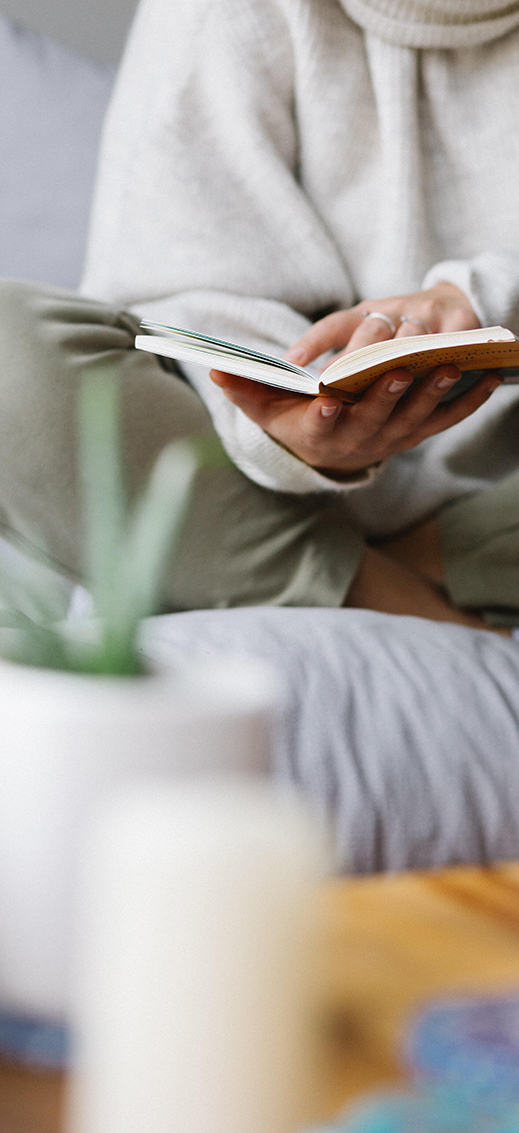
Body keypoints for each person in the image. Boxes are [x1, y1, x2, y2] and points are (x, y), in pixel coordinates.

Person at [1, 0, 519, 869]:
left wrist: (485, 305)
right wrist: (286, 431)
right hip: (257, 487)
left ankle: (380, 566)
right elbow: (179, 304)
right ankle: (422, 604)